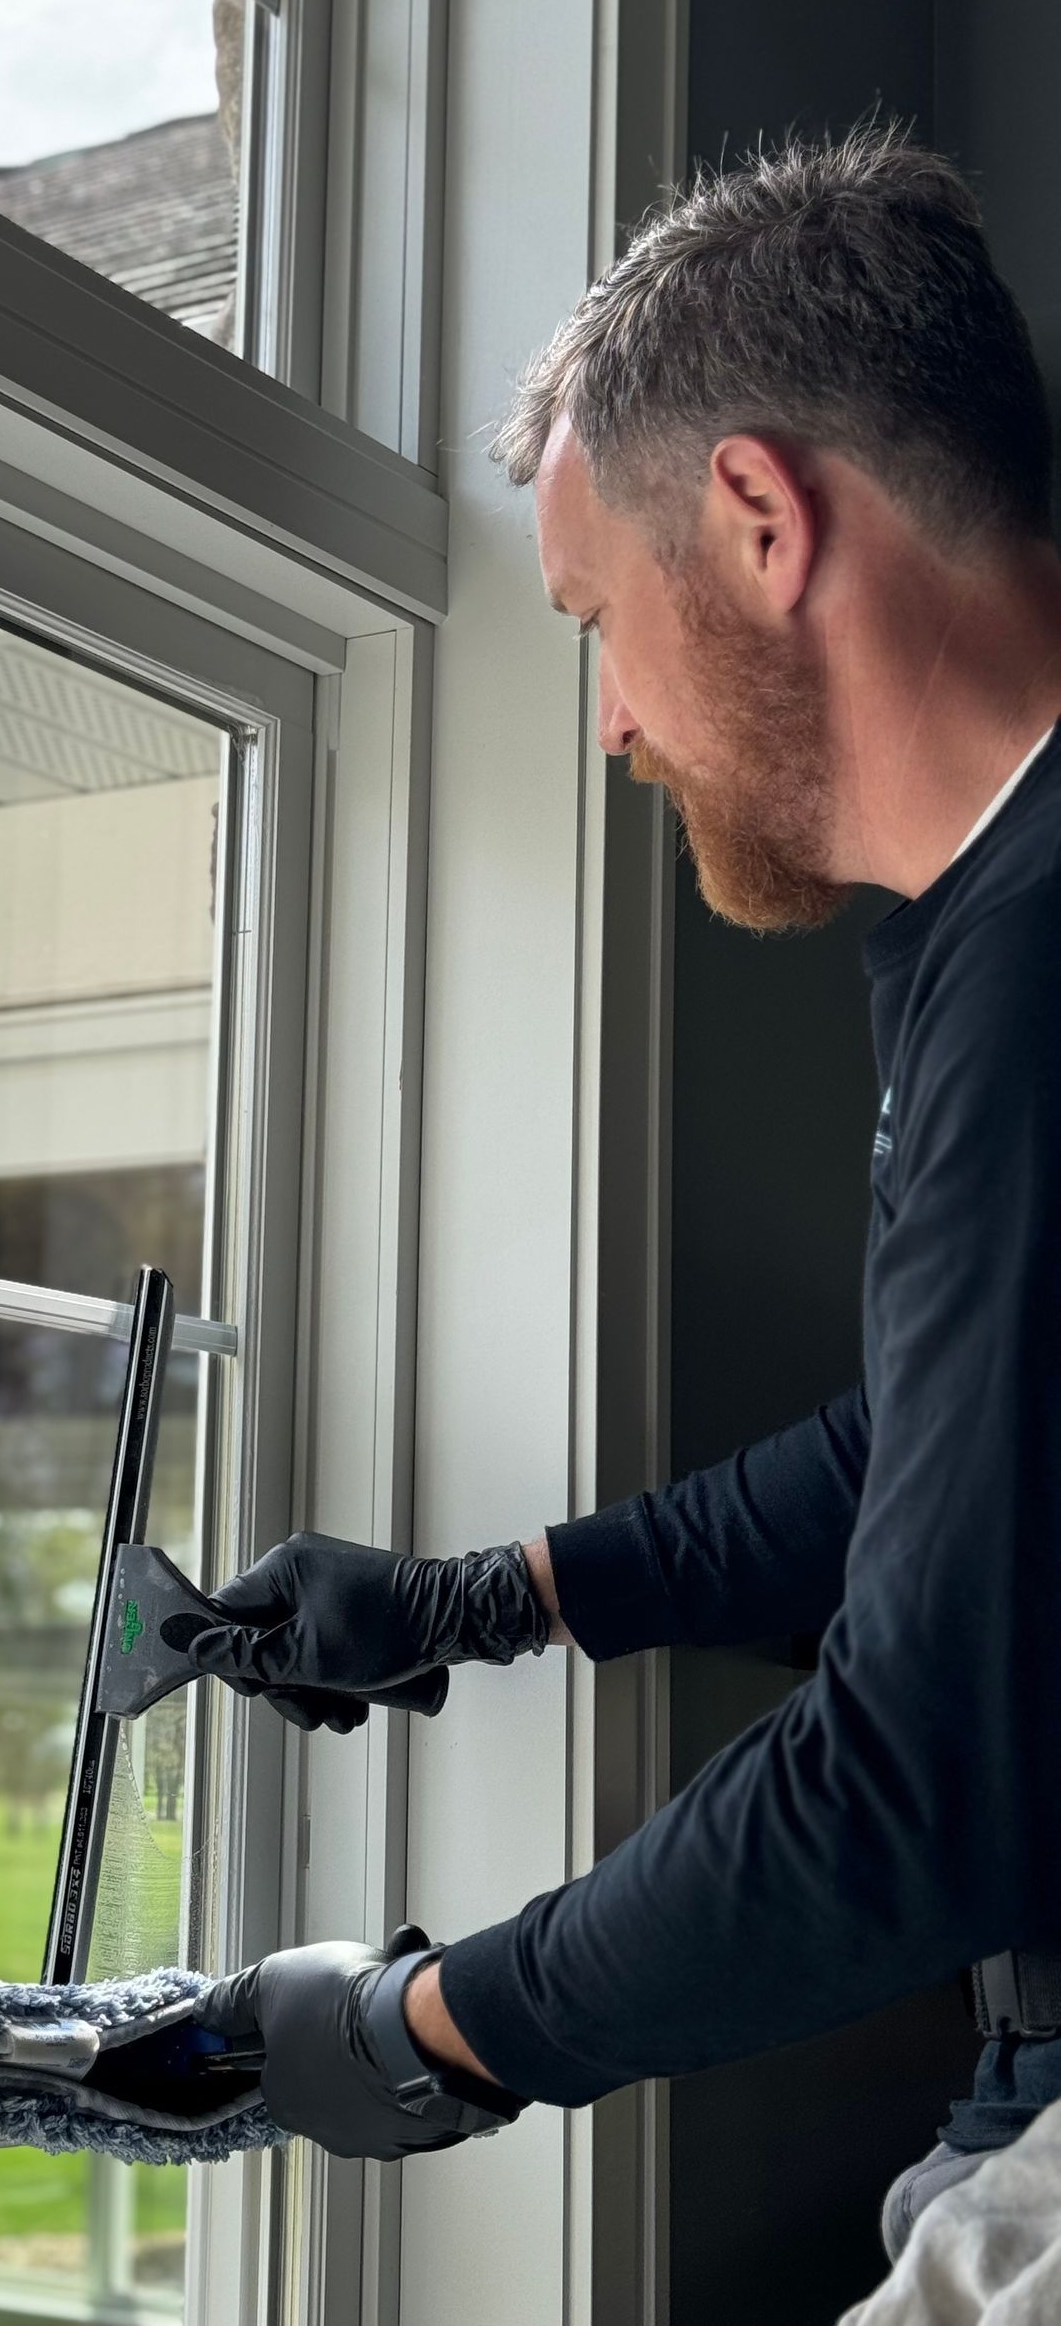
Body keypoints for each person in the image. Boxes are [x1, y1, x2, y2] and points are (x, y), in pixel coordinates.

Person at [183, 128, 1061, 2258]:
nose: (611, 720)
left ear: (758, 520)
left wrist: (431, 2025)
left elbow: (922, 1768)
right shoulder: (976, 924)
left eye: (598, 616)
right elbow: (944, 1456)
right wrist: (489, 1598)